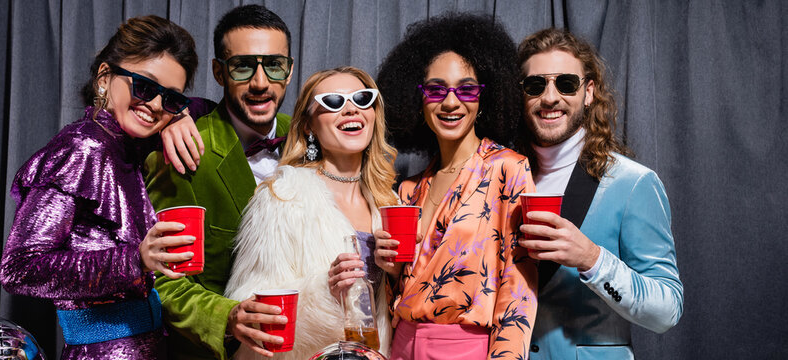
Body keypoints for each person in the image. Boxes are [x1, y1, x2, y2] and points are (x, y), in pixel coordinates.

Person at [0, 15, 200, 359]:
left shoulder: (125, 148)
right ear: (105, 77)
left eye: (170, 99)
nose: (154, 106)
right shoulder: (81, 149)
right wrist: (135, 260)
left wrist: (180, 116)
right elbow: (19, 268)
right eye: (145, 87)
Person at [375, 13, 538, 359]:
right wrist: (388, 271)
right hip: (400, 346)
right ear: (418, 100)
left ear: (483, 99)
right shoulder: (408, 190)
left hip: (466, 349)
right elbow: (400, 293)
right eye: (436, 89)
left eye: (466, 89)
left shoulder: (507, 170)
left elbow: (519, 286)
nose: (451, 102)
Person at [515, 28, 684, 360]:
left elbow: (667, 310)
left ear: (588, 92)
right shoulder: (501, 177)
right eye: (536, 85)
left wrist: (592, 259)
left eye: (565, 84)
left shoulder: (632, 183)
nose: (550, 97)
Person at [143, 4, 295, 359]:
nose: (260, 83)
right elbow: (163, 279)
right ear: (219, 72)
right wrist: (226, 317)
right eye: (243, 66)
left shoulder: (310, 139)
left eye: (273, 65)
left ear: (288, 72)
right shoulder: (183, 153)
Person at [225, 66, 397, 359]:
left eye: (363, 98)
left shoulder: (389, 201)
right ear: (309, 126)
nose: (351, 110)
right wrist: (324, 289)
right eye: (333, 102)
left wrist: (395, 273)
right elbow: (251, 307)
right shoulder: (283, 196)